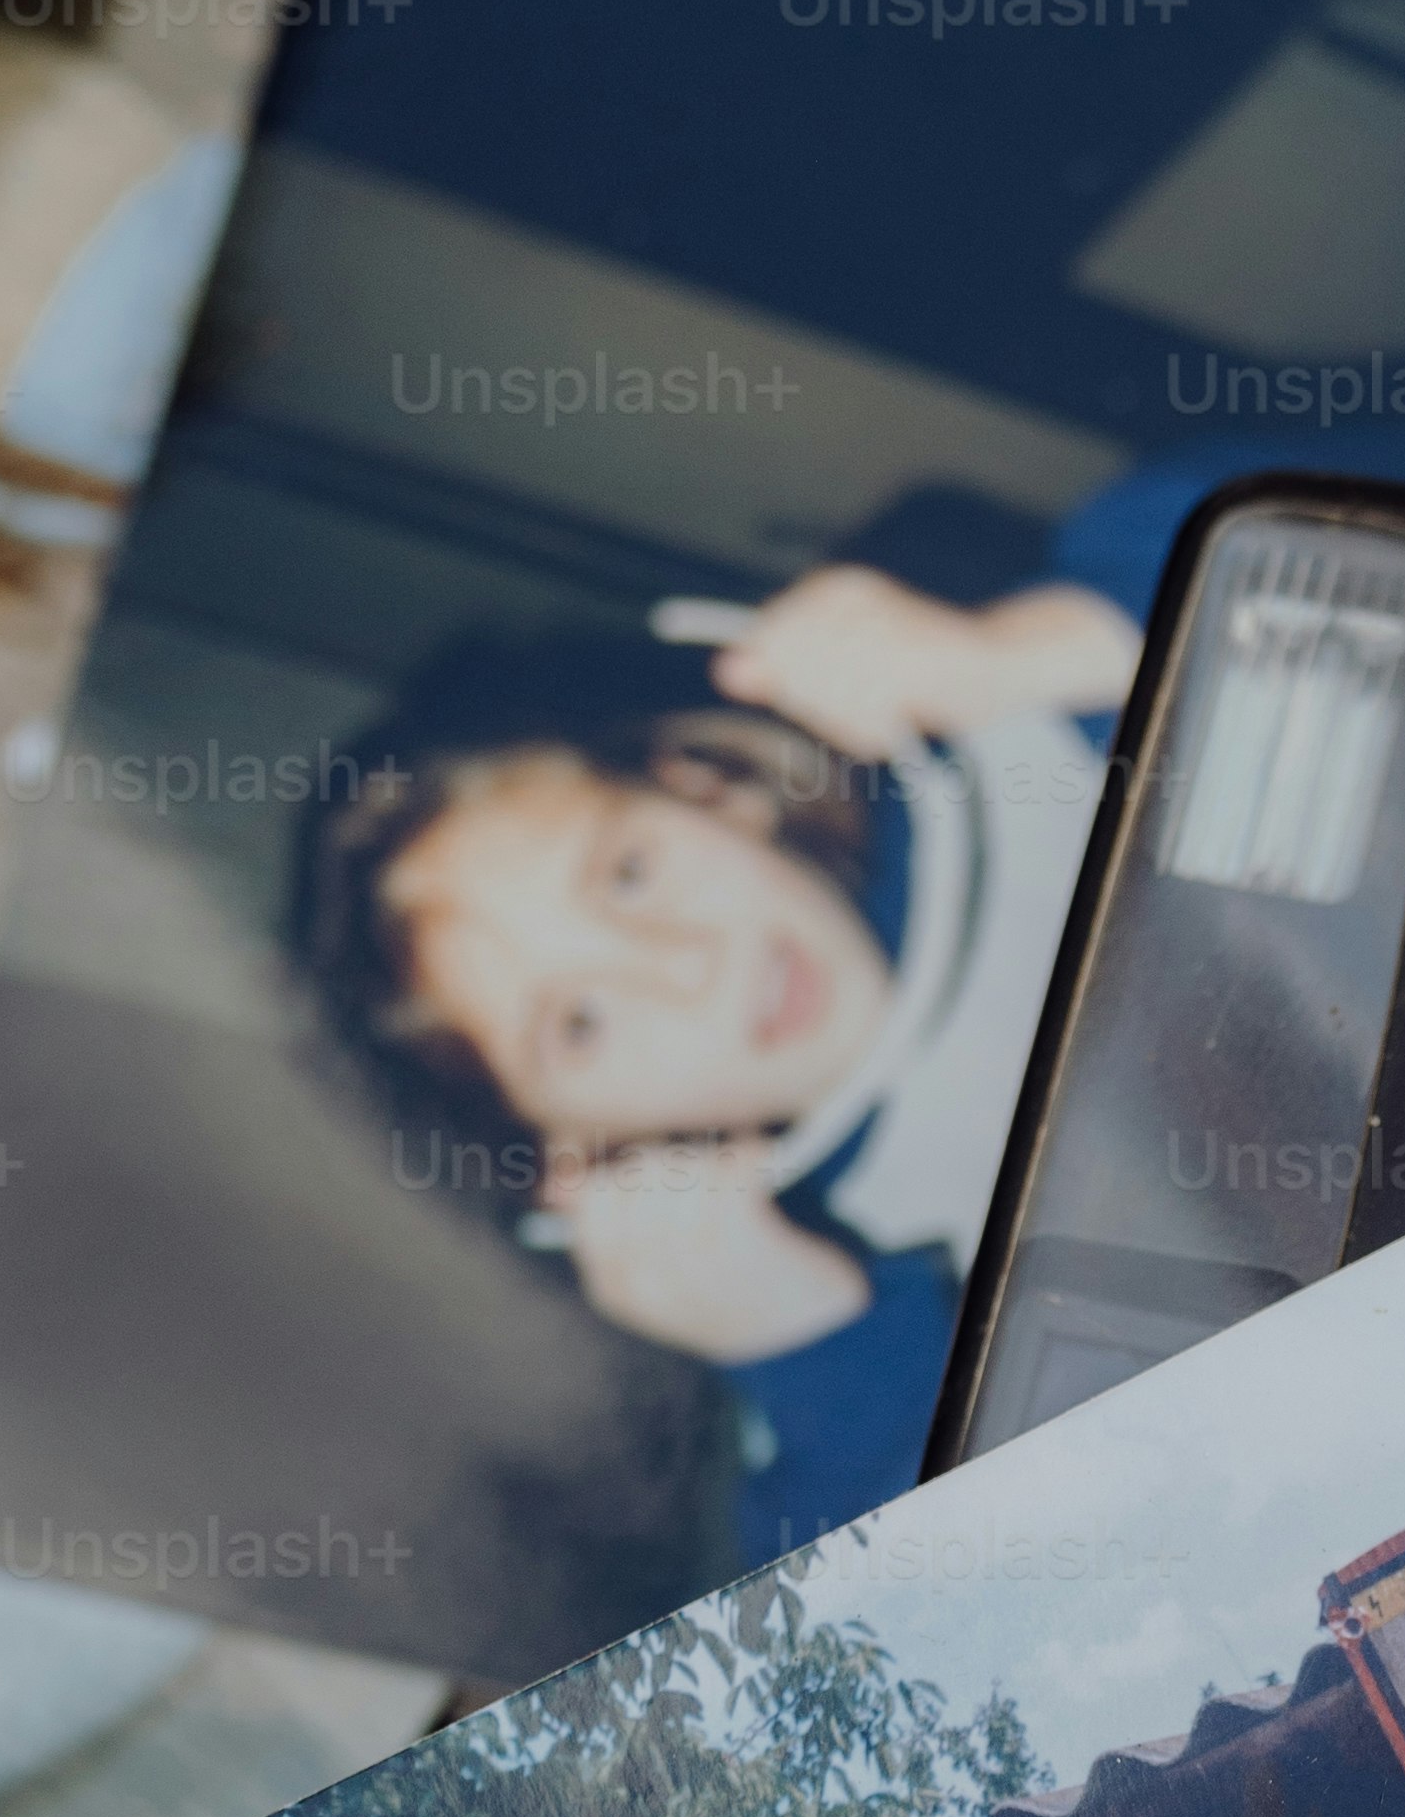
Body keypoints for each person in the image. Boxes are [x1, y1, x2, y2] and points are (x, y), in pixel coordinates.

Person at [292, 549, 1146, 1565]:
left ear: (707, 786)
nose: (684, 969)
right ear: (574, 1160)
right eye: (580, 1023)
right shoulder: (824, 1404)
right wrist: (824, 1352)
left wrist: (1068, 642)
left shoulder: (1025, 726)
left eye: (628, 872)